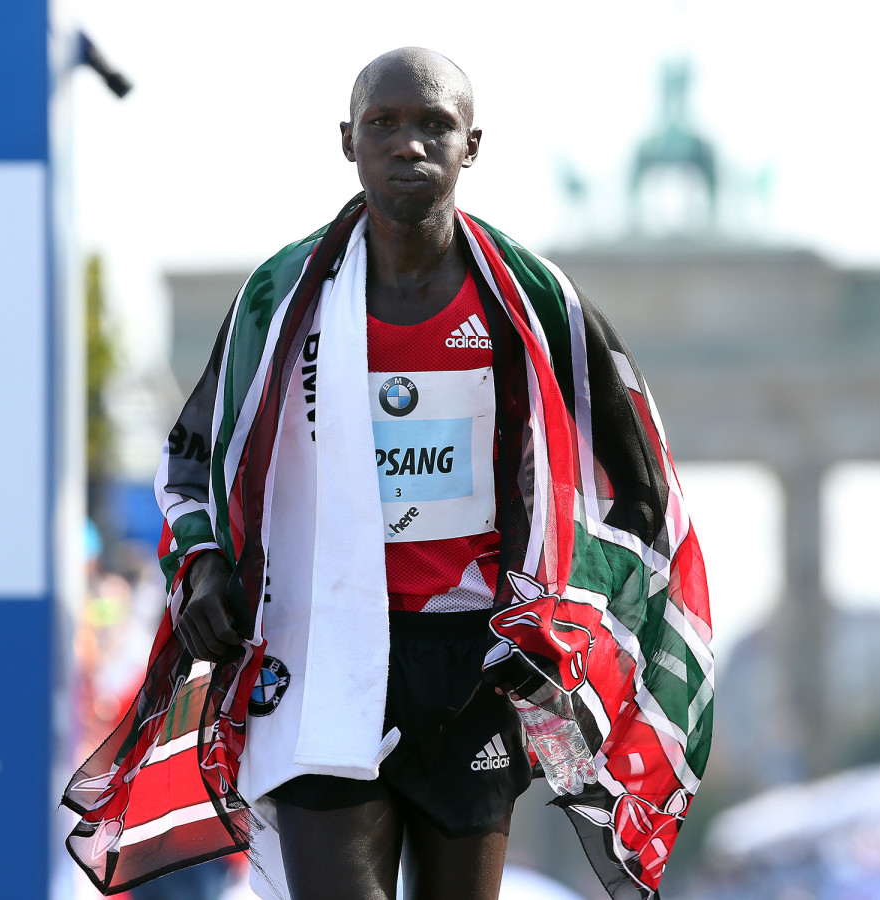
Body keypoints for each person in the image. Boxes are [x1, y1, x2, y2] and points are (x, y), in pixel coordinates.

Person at [63, 48, 713, 900]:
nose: (409, 144)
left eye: (434, 125)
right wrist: (206, 563)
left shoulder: (529, 300)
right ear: (348, 141)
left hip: (471, 663)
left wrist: (564, 610)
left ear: (471, 145)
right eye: (384, 124)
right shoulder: (281, 296)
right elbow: (192, 460)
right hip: (319, 646)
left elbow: (637, 487)